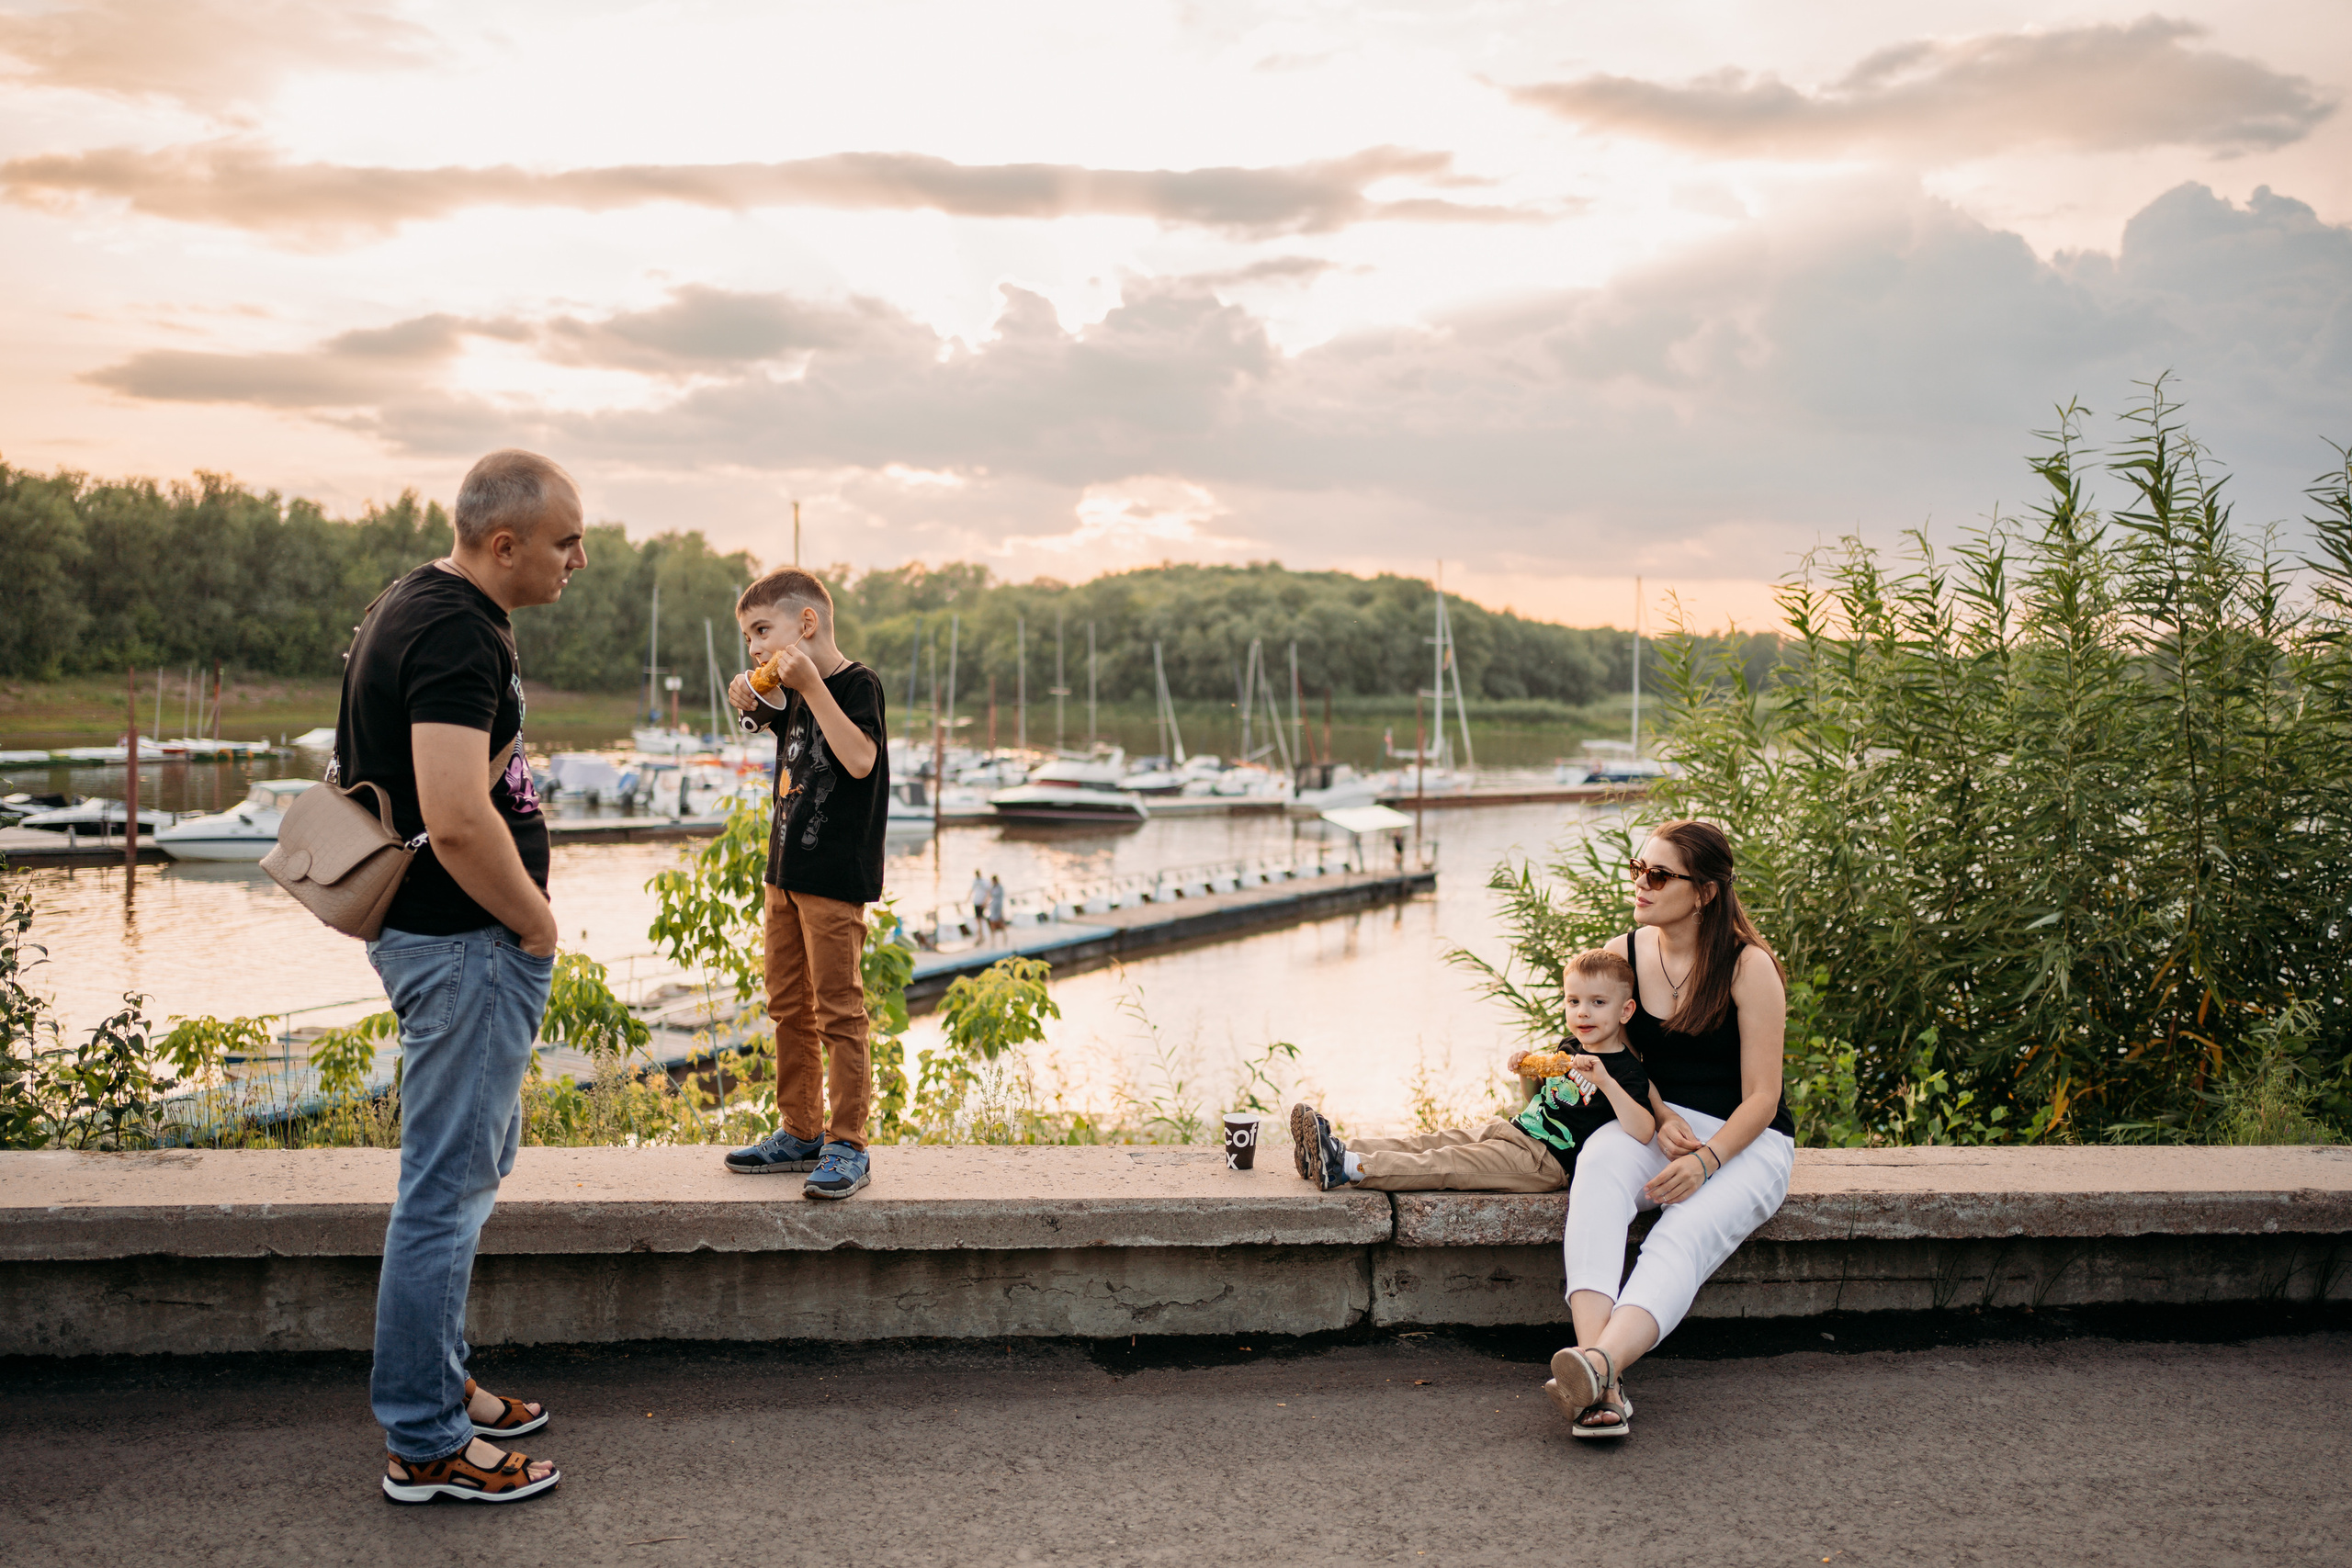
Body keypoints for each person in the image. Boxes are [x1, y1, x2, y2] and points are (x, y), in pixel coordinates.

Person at [350, 448, 585, 1504]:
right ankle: (426, 1440)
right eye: (565, 541)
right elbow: (452, 813)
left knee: (470, 1170)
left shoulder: (419, 600)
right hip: (466, 943)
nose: (578, 558)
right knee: (445, 1192)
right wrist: (535, 926)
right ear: (506, 544)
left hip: (448, 940)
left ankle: (435, 1386)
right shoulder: (452, 629)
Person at [1545, 819, 1795, 1439]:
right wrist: (1660, 1115)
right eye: (1638, 868)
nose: (1641, 883)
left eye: (1658, 874)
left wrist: (1707, 1160)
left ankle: (1599, 1368)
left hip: (1746, 1140)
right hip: (1659, 1124)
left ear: (1705, 891)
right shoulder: (1624, 954)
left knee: (1683, 1229)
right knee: (1598, 1169)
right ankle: (1598, 1377)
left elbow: (1763, 1098)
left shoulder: (1748, 966)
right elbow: (1619, 1062)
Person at [720, 569, 889, 1199]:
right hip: (783, 872)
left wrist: (810, 685)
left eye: (762, 630)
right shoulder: (793, 695)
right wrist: (752, 701)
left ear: (807, 623)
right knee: (788, 1005)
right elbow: (777, 731)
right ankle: (800, 1129)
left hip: (834, 878)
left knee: (839, 1010)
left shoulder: (852, 683)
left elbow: (859, 759)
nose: (756, 648)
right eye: (748, 638)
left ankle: (849, 1144)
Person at [1290, 950, 1654, 1192]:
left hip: (1544, 1161)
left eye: (1598, 1003)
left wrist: (1604, 1080)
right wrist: (1528, 1072)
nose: (1582, 1013)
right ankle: (1332, 1149)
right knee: (1431, 1141)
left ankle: (1349, 1167)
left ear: (1625, 1011)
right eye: (1573, 1002)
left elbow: (1643, 1130)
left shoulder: (1627, 1072)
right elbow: (1537, 1100)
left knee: (1447, 1162)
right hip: (1515, 1131)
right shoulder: (1568, 1047)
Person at [969, 869, 989, 940]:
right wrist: (968, 898)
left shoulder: (984, 882)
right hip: (976, 902)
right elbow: (972, 890)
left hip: (981, 902)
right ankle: (980, 934)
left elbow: (988, 892)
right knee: (978, 919)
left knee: (981, 918)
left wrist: (985, 902)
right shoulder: (975, 881)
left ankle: (982, 935)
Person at [987, 874, 1007, 939]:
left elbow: (995, 895)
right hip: (993, 907)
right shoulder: (992, 887)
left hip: (998, 907)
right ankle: (993, 936)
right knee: (992, 921)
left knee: (1000, 921)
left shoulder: (999, 888)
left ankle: (1004, 935)